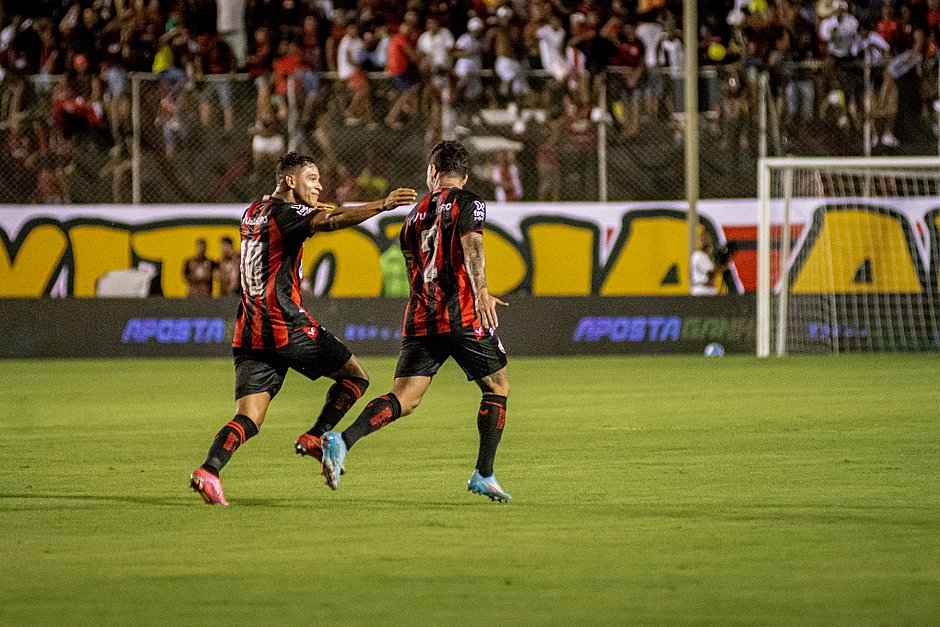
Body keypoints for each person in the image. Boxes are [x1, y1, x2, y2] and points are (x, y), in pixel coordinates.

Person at [189, 152, 417, 505]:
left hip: (249, 329)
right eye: (312, 178)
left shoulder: (254, 211)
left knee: (249, 417)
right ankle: (317, 436)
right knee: (356, 377)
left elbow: (306, 217)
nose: (320, 184)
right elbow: (330, 220)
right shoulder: (287, 214)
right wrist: (382, 204)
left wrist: (314, 205)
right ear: (290, 182)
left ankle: (209, 471)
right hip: (283, 324)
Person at [319, 140, 512, 502]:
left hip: (422, 316)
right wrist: (482, 290)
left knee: (405, 397)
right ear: (464, 176)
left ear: (433, 172)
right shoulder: (470, 203)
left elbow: (416, 268)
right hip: (461, 314)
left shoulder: (412, 215)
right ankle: (484, 473)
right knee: (498, 385)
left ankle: (343, 440)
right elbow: (473, 247)